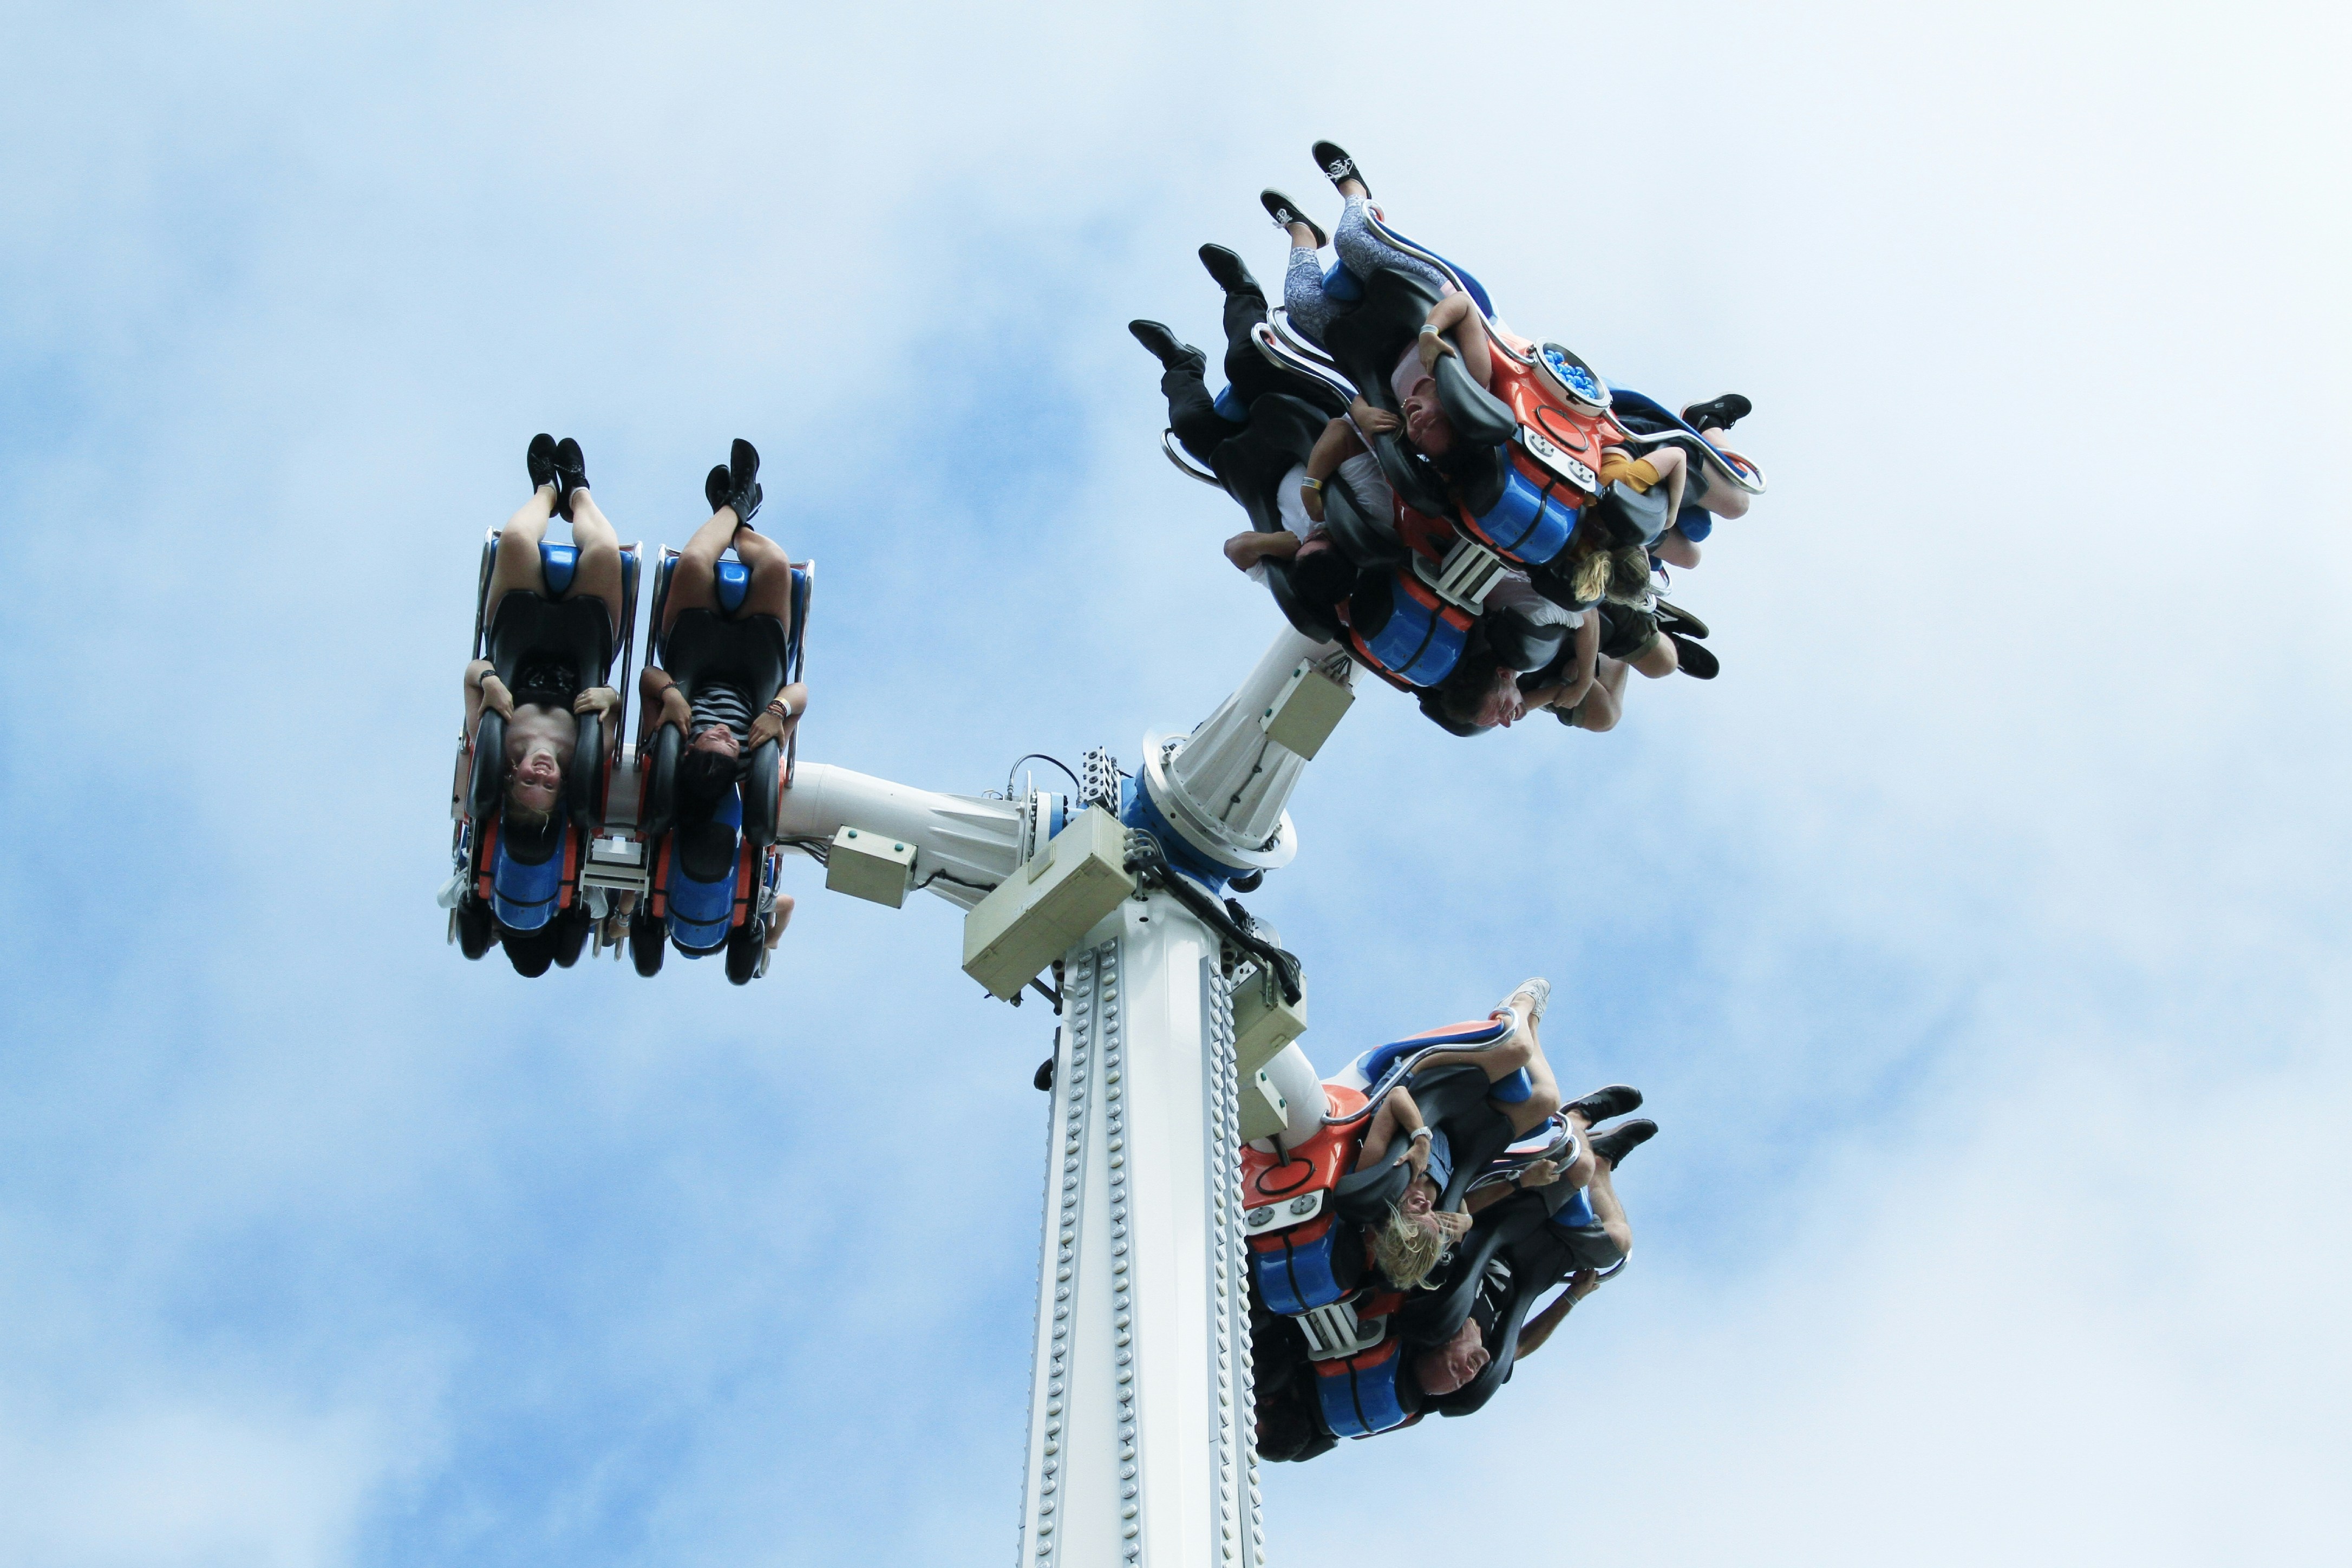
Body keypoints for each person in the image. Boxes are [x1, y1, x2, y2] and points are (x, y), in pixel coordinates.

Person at [637, 439, 808, 955]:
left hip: (697, 655)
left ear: (690, 752)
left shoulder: (674, 743)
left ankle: (731, 507)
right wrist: (777, 713)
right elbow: (799, 692)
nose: (719, 733)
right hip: (755, 665)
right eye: (723, 742)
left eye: (708, 738)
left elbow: (649, 674)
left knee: (693, 562)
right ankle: (742, 517)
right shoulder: (757, 756)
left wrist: (671, 698)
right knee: (775, 566)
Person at [461, 434, 625, 838]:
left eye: (529, 783)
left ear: (512, 777)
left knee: (515, 541)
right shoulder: (586, 752)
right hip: (582, 638)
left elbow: (473, 671)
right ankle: (580, 493)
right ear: (562, 785)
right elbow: (616, 708)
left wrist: (492, 683)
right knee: (605, 551)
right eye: (549, 786)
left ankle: (547, 491)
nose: (541, 775)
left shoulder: (493, 743)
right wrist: (609, 697)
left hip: (521, 629)